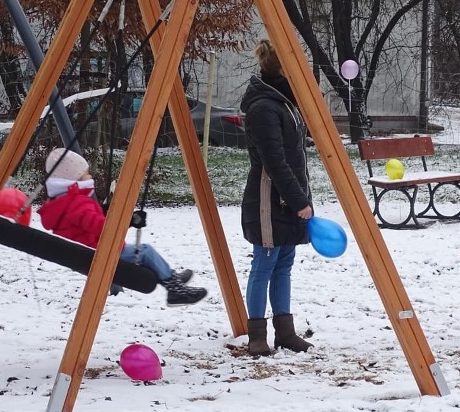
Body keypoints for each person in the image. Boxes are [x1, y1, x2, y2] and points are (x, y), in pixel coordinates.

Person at [37, 147, 207, 306]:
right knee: (146, 251)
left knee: (143, 253)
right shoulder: (77, 203)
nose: (90, 177)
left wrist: (113, 214)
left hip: (90, 253)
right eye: (86, 174)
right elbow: (102, 227)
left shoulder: (62, 204)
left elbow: (86, 222)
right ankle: (174, 288)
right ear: (74, 181)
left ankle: (170, 277)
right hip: (103, 253)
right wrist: (127, 221)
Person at [240, 39, 314, 356]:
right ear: (282, 69)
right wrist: (299, 201)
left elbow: (295, 157)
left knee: (284, 264)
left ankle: (285, 332)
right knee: (264, 264)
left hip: (289, 196)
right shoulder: (263, 108)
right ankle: (257, 334)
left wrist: (301, 198)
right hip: (269, 200)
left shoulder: (285, 103)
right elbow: (275, 162)